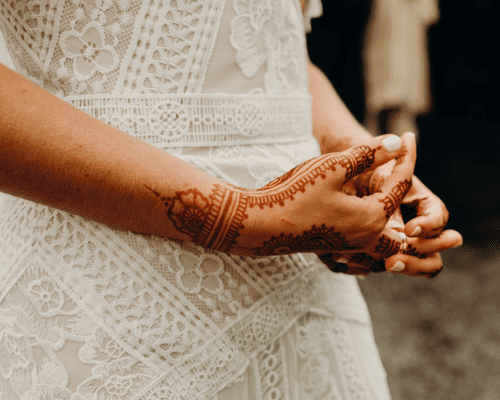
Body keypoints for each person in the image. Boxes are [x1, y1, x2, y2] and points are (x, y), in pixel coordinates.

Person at [0, 1, 461, 399]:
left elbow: (279, 48)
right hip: (105, 300)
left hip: (304, 298)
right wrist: (245, 218)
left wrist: (360, 158)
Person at [363, 0, 440, 139]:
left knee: (399, 109)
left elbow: (429, 15)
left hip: (407, 50)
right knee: (386, 101)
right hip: (388, 43)